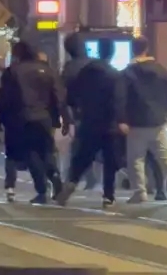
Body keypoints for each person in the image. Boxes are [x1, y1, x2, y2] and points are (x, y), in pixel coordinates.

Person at [0, 42, 69, 204]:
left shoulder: (13, 71)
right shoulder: (48, 70)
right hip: (45, 117)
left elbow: (5, 98)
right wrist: (63, 119)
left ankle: (42, 190)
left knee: (31, 153)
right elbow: (59, 96)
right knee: (47, 150)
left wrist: (0, 118)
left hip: (22, 118)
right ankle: (55, 178)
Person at [56, 37, 124, 208]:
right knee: (110, 161)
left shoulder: (85, 72)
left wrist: (78, 109)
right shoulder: (115, 74)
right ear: (112, 53)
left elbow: (71, 94)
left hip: (88, 121)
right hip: (110, 124)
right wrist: (122, 120)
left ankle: (71, 183)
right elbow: (119, 100)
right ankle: (108, 196)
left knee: (83, 156)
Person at [119, 36, 167, 204]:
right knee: (165, 156)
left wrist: (122, 119)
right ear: (147, 48)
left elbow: (121, 97)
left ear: (132, 49)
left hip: (136, 122)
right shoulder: (161, 70)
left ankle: (139, 192)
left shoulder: (128, 72)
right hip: (157, 121)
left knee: (135, 159)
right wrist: (163, 111)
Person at [61, 32, 99, 190]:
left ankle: (74, 178)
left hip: (80, 112)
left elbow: (64, 92)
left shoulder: (70, 68)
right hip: (100, 110)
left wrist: (66, 116)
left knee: (80, 146)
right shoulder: (94, 63)